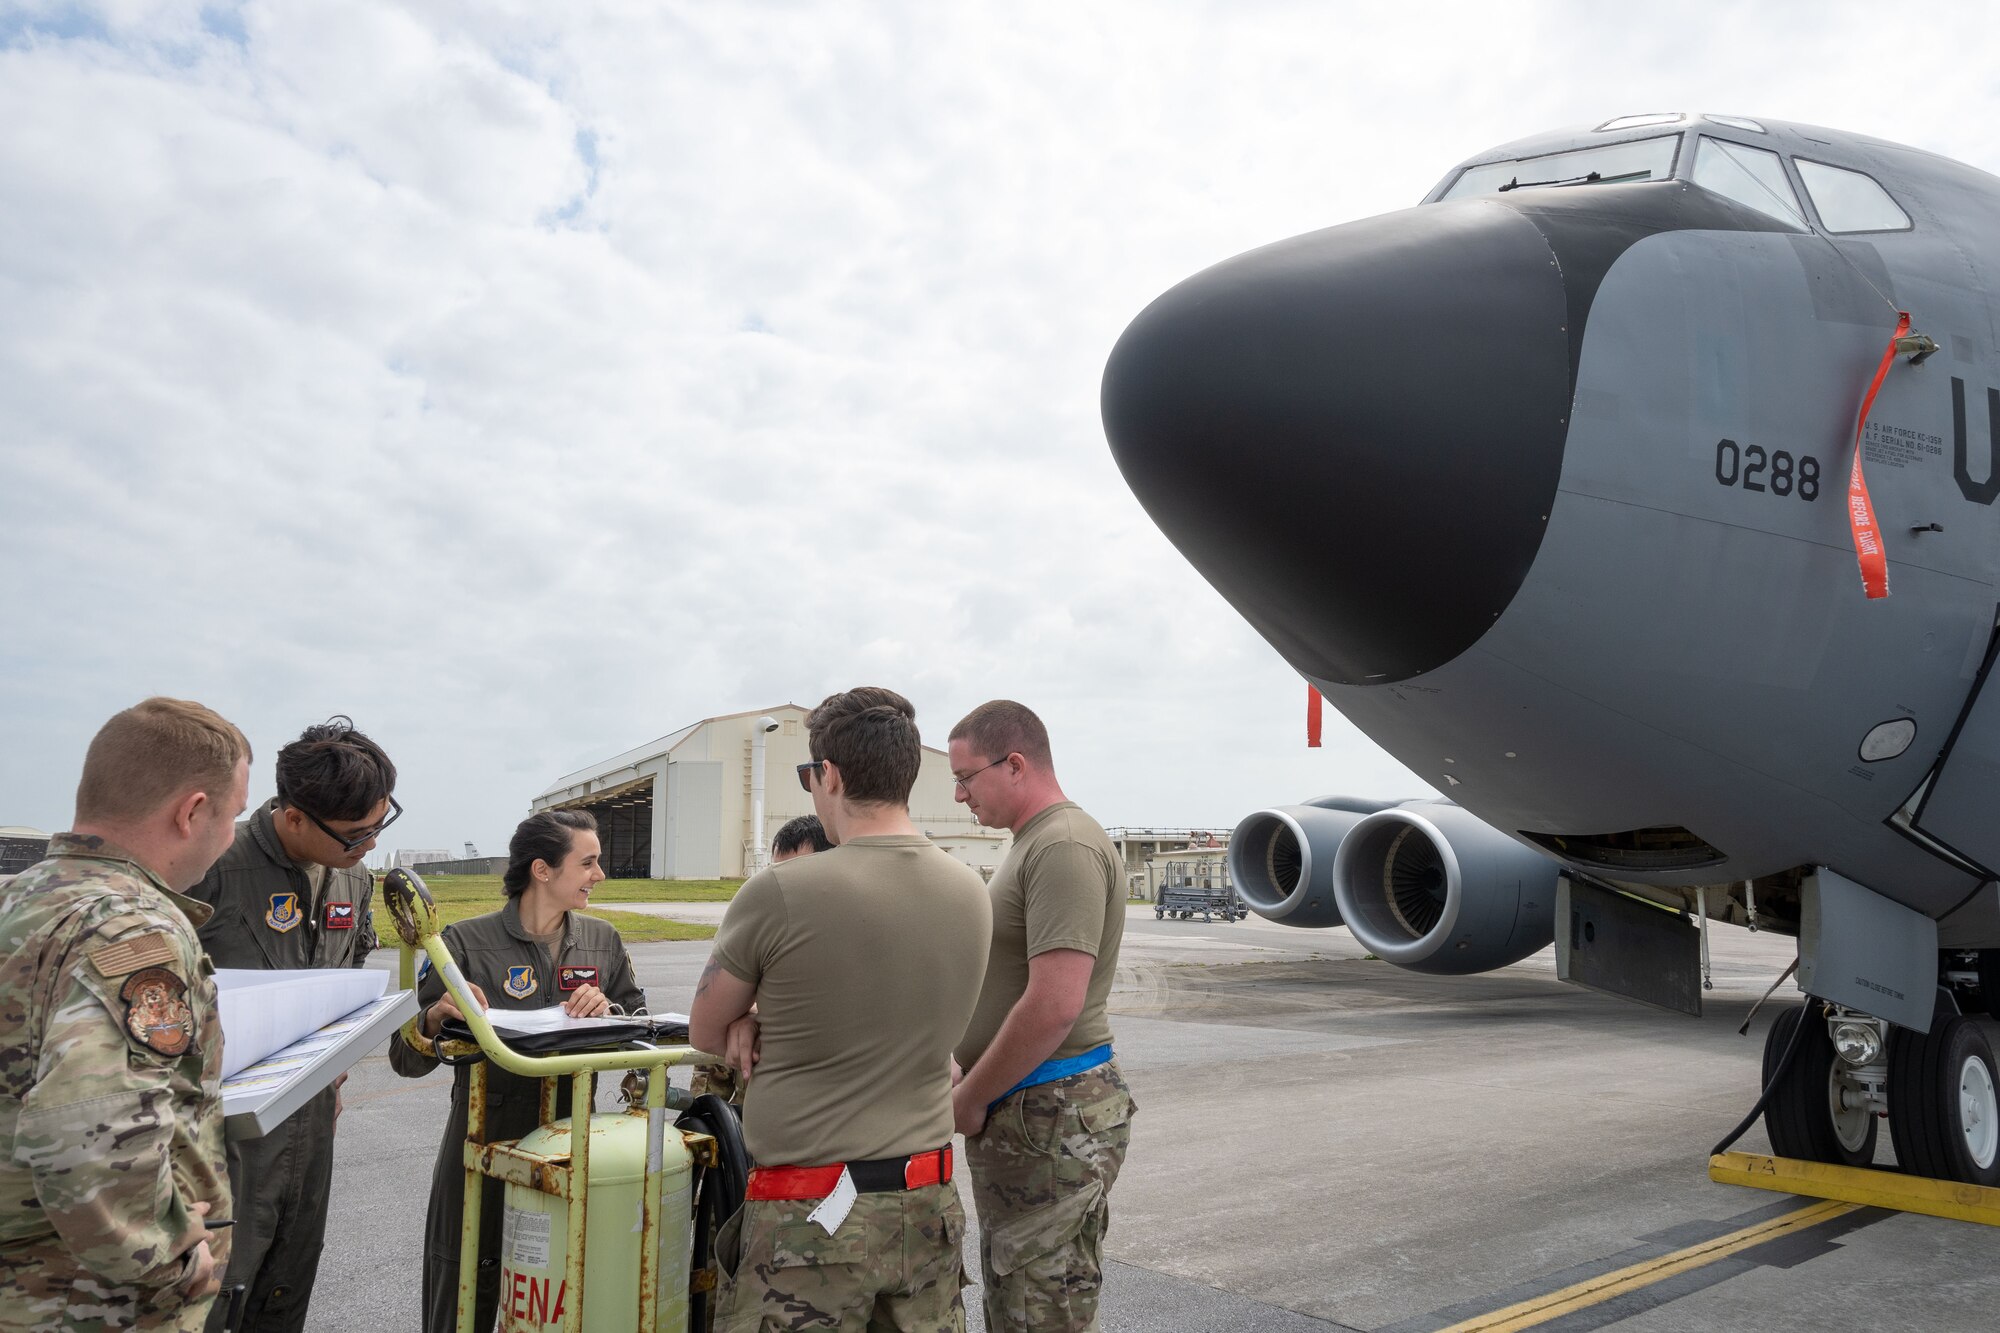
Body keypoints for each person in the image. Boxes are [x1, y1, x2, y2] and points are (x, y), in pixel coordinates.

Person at [691, 687, 992, 1332]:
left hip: (811, 1214)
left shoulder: (779, 890)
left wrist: (751, 1020)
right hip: (926, 1205)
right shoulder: (970, 889)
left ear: (828, 775)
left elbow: (707, 1028)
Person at [0, 697, 251, 1329]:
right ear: (193, 812)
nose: (230, 839)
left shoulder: (15, 899)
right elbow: (82, 1128)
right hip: (80, 1299)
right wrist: (165, 1254)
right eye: (233, 818)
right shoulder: (135, 932)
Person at [390, 809, 645, 1333]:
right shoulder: (461, 944)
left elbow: (641, 1030)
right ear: (542, 870)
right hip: (482, 1140)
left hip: (572, 1147)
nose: (600, 875)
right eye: (589, 863)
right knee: (465, 1285)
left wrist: (610, 1013)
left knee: (560, 1290)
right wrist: (436, 1018)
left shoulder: (603, 941)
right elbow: (404, 1058)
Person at [186, 717, 393, 1333]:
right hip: (224, 1135)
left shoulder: (355, 875)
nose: (370, 845)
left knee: (288, 1282)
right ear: (295, 815)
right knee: (219, 1290)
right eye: (357, 834)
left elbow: (352, 962)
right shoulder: (213, 867)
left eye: (381, 824)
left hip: (313, 1118)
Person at [947, 700, 1135, 1333]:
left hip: (1048, 1115)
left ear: (1016, 764)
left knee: (1038, 1310)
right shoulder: (1035, 843)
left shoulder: (1063, 845)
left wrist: (971, 1096)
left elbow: (1057, 1004)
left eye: (967, 777)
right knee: (1020, 1295)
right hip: (1031, 1112)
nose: (959, 793)